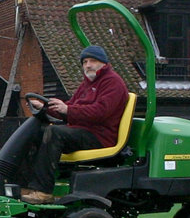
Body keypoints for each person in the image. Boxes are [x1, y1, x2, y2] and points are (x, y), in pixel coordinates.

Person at [18, 45, 131, 204]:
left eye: (92, 61)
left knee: (54, 133)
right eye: (85, 62)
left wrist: (68, 109)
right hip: (81, 132)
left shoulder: (113, 83)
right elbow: (69, 110)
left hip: (100, 136)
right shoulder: (86, 85)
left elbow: (100, 112)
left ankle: (43, 191)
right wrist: (45, 107)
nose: (88, 65)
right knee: (34, 132)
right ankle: (24, 186)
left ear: (104, 63)